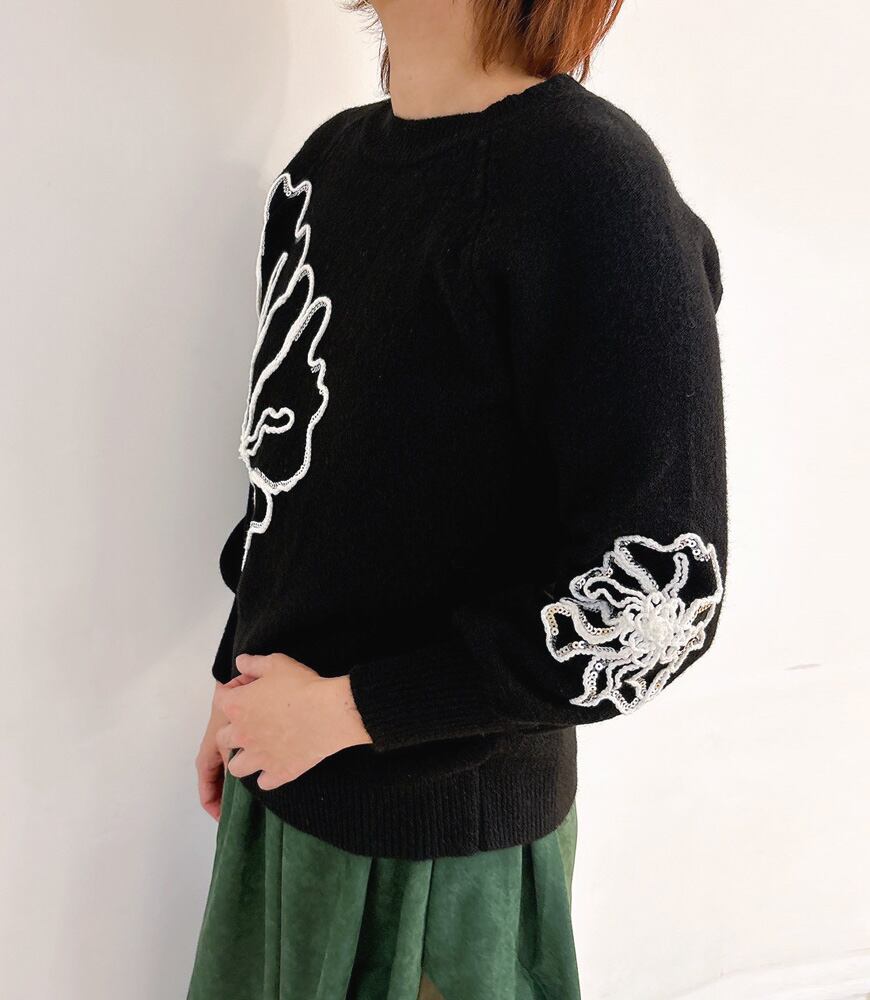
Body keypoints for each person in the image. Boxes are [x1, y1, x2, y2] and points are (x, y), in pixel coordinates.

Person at [187, 0, 728, 997]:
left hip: (445, 861)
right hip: (285, 791)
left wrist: (354, 710)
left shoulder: (594, 187)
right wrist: (240, 685)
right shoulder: (324, 170)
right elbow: (295, 492)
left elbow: (660, 599)